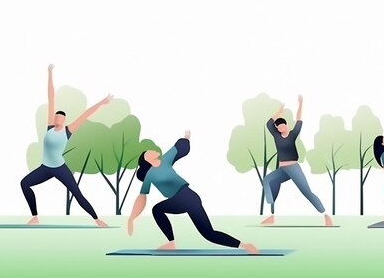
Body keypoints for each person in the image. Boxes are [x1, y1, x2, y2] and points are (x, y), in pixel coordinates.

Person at [128, 130, 258, 253]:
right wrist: (132, 218)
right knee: (157, 210)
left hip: (188, 197)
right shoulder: (150, 174)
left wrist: (185, 139)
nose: (151, 150)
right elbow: (142, 197)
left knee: (209, 234)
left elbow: (179, 148)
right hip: (180, 200)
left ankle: (244, 245)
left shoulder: (165, 159)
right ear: (146, 159)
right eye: (147, 152)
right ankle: (171, 243)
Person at [20, 64, 112, 227]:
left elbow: (85, 114)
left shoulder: (68, 131)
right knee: (24, 183)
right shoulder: (49, 127)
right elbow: (51, 97)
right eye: (56, 117)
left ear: (64, 120)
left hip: (60, 168)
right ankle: (35, 216)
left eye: (60, 118)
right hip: (45, 167)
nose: (57, 119)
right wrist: (49, 73)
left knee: (77, 194)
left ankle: (96, 219)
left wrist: (102, 102)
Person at [260, 95, 333, 226]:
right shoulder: (276, 136)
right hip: (282, 169)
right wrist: (279, 111)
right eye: (278, 127)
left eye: (282, 126)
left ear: (286, 125)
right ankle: (271, 214)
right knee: (268, 181)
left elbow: (299, 119)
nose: (280, 128)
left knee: (306, 191)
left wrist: (300, 104)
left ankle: (325, 215)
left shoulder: (293, 134)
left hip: (293, 168)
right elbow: (268, 123)